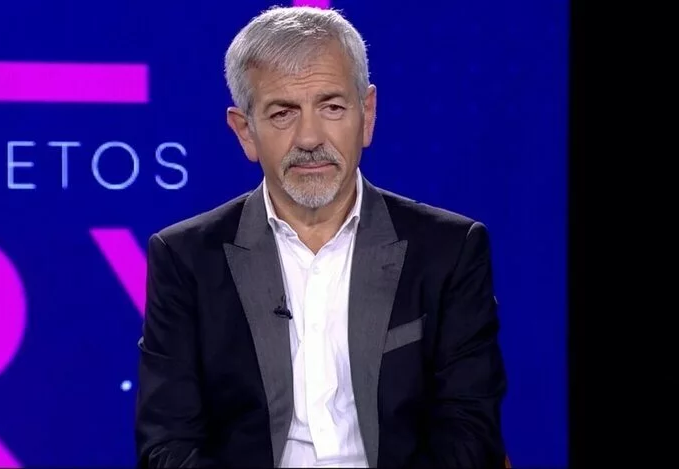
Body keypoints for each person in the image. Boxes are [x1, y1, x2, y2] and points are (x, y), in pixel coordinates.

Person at [135, 5, 507, 468]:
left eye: (332, 107)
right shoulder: (186, 258)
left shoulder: (449, 250)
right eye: (282, 113)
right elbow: (167, 445)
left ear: (366, 115)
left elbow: (469, 434)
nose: (310, 137)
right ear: (245, 131)